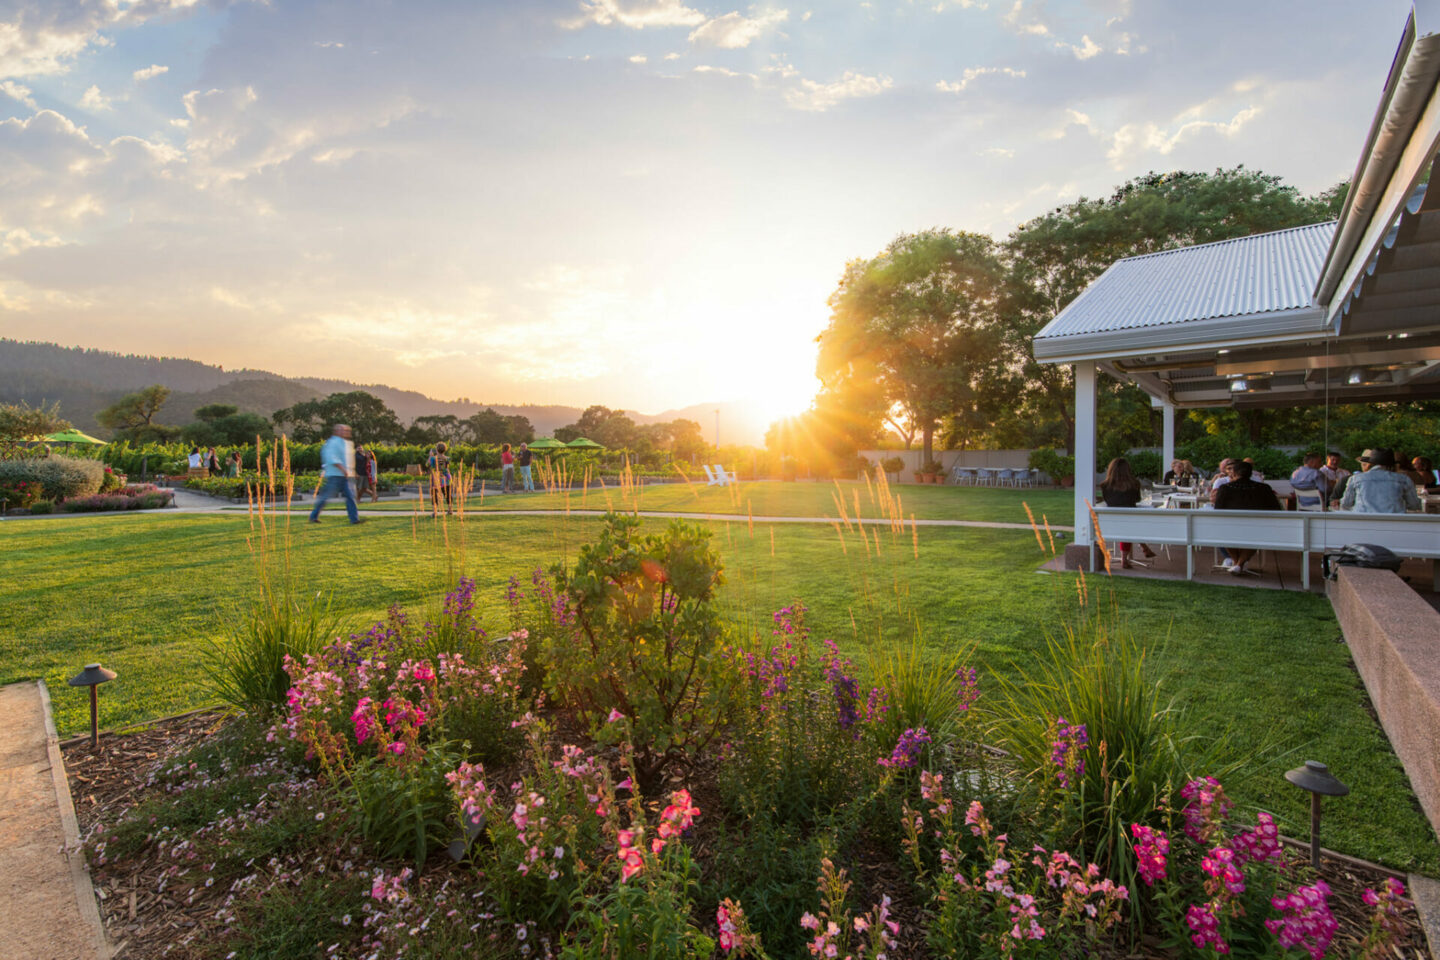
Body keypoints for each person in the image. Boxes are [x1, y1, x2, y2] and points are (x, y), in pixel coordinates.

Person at [1214, 460, 1280, 575]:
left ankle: (1237, 564)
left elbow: (1218, 509)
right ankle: (1239, 564)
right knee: (1256, 535)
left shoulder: (1225, 488)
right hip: (1257, 528)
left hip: (1230, 528)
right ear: (1250, 474)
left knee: (1223, 533)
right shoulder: (1264, 488)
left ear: (1234, 473)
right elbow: (1276, 509)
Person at [1100, 457, 1156, 569]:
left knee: (1126, 523)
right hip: (1130, 521)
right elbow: (1137, 499)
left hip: (1110, 522)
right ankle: (1127, 557)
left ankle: (1141, 548)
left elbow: (1107, 500)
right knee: (1130, 524)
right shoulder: (1134, 484)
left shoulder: (1104, 486)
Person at [308, 424, 361, 524]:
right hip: (335, 475)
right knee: (325, 497)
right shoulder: (332, 443)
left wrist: (353, 472)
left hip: (344, 476)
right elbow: (332, 458)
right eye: (343, 430)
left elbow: (347, 460)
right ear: (336, 431)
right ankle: (313, 516)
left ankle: (354, 519)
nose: (346, 432)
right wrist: (343, 469)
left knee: (350, 497)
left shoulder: (346, 443)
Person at [1341, 448, 1421, 514]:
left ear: (1370, 463)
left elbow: (1345, 504)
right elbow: (1415, 505)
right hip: (1394, 523)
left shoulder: (1356, 479)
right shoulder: (1403, 479)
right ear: (1392, 464)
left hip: (1364, 522)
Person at [431, 442, 452, 515]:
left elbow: (429, 465)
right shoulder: (447, 458)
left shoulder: (433, 459)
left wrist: (430, 456)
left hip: (437, 478)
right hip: (446, 477)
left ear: (437, 449)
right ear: (445, 450)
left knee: (434, 494)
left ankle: (435, 512)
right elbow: (447, 468)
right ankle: (450, 510)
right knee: (447, 494)